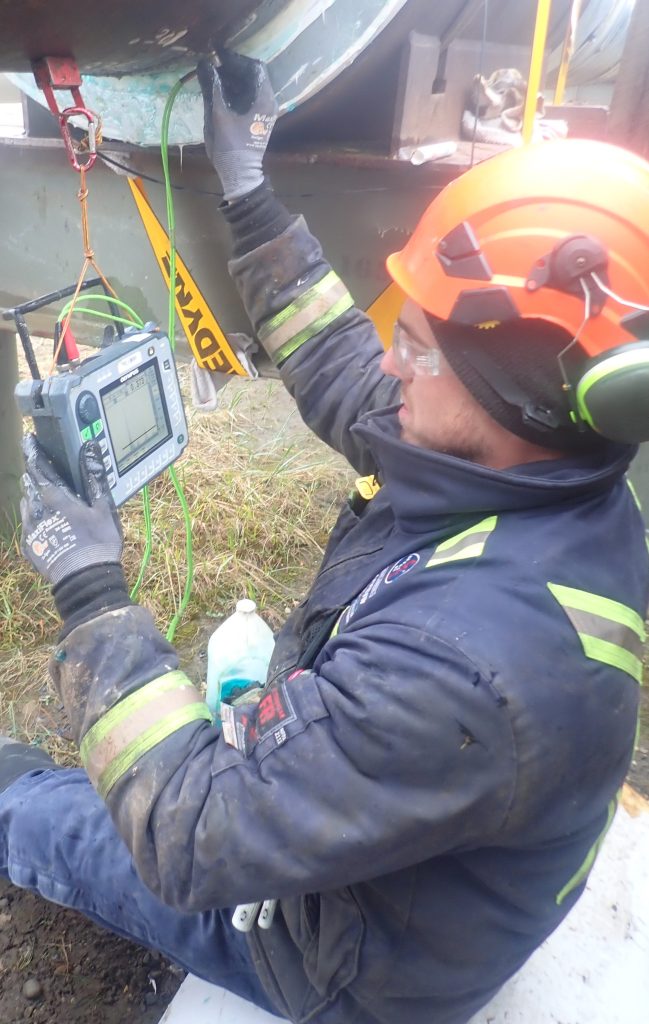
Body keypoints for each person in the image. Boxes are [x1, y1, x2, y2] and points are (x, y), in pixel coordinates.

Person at [1, 50, 648, 1024]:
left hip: (343, 962)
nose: (391, 354)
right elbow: (346, 369)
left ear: (525, 394)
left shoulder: (469, 663)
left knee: (54, 818)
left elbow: (188, 834)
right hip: (420, 863)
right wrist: (251, 192)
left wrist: (91, 587)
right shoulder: (539, 474)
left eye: (419, 346)